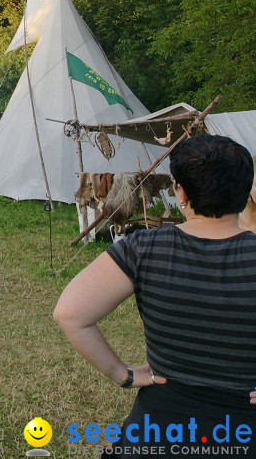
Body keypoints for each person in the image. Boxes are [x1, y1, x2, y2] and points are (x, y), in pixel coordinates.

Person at [53, 134, 256, 457]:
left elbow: (70, 313)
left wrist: (124, 374)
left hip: (158, 432)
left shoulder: (143, 248)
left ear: (181, 193)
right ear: (245, 192)